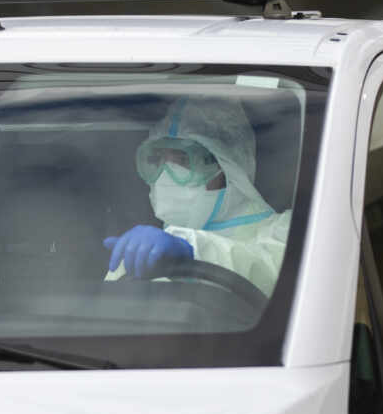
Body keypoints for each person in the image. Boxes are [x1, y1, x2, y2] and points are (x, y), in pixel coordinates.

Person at [103, 96, 291, 296]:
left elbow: (271, 274)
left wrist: (192, 251)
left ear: (227, 166)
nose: (166, 175)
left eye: (184, 160)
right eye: (157, 159)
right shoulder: (142, 252)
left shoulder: (287, 232)